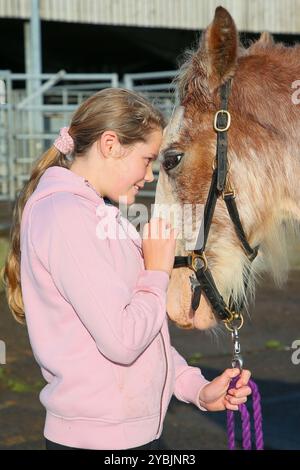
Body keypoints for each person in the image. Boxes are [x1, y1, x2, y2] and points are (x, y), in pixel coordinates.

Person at [2, 88, 252, 451]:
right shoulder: (65, 218)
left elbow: (142, 332)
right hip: (100, 443)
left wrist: (194, 387)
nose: (149, 177)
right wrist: (158, 270)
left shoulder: (100, 216)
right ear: (110, 145)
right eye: (147, 160)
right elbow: (123, 341)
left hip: (129, 437)